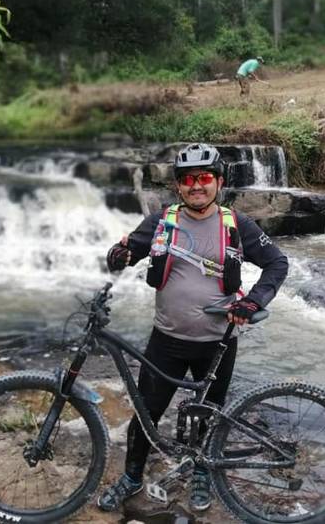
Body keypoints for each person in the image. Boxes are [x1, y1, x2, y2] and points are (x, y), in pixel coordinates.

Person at [98, 143, 289, 513]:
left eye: (204, 178)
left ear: (219, 182)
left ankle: (202, 473)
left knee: (209, 415)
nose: (196, 186)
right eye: (187, 179)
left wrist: (253, 302)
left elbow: (277, 264)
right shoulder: (161, 222)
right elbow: (125, 254)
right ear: (178, 186)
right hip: (166, 340)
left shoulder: (237, 225)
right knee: (146, 414)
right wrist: (117, 255)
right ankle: (132, 477)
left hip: (217, 344)